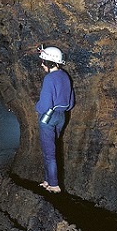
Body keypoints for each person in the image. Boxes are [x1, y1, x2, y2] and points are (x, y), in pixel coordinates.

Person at [35, 45, 74, 193]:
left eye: (43, 61)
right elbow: (71, 102)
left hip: (48, 117)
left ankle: (54, 185)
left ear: (49, 62)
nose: (42, 64)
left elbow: (44, 104)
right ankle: (47, 180)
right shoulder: (65, 76)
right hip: (61, 116)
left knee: (49, 153)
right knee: (51, 149)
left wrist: (36, 107)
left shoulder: (49, 79)